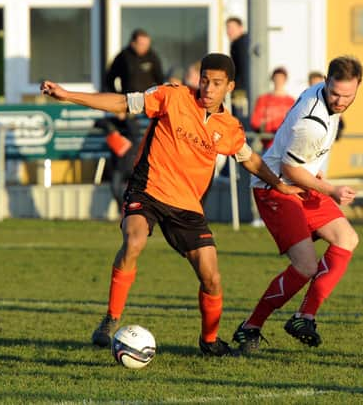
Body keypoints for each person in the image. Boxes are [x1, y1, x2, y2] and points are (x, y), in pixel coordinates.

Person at [40, 53, 302, 356]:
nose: (208, 88)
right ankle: (110, 319)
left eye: (217, 83)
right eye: (204, 80)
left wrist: (280, 184)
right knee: (134, 240)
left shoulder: (228, 127)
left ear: (229, 86)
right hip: (147, 190)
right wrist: (67, 95)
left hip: (187, 206)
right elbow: (124, 103)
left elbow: (250, 159)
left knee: (211, 277)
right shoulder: (172, 96)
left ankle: (210, 341)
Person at [232, 56, 363, 354]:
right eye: (335, 94)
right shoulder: (311, 123)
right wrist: (331, 190)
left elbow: (301, 162)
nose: (340, 101)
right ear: (326, 83)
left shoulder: (322, 93)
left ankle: (304, 317)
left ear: (357, 88)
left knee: (347, 238)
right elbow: (290, 171)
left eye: (347, 96)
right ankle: (250, 327)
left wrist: (314, 168)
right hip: (276, 188)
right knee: (305, 266)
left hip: (301, 181)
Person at [103, 29, 165, 209]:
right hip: (129, 109)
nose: (145, 48)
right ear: (133, 43)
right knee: (131, 149)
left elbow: (161, 82)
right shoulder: (123, 57)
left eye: (147, 45)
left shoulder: (153, 57)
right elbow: (109, 79)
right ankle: (127, 200)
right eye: (141, 45)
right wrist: (117, 105)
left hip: (149, 108)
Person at [250, 67, 295, 151]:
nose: (279, 81)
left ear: (285, 80)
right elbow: (255, 122)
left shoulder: (291, 101)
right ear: (272, 79)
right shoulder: (263, 99)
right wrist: (264, 125)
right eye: (277, 78)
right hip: (268, 146)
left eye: (281, 79)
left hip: (286, 146)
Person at [225, 17, 249, 118]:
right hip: (240, 88)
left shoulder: (240, 44)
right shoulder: (238, 44)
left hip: (241, 90)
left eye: (232, 28)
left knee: (240, 118)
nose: (229, 31)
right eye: (227, 28)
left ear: (241, 28)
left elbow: (242, 69)